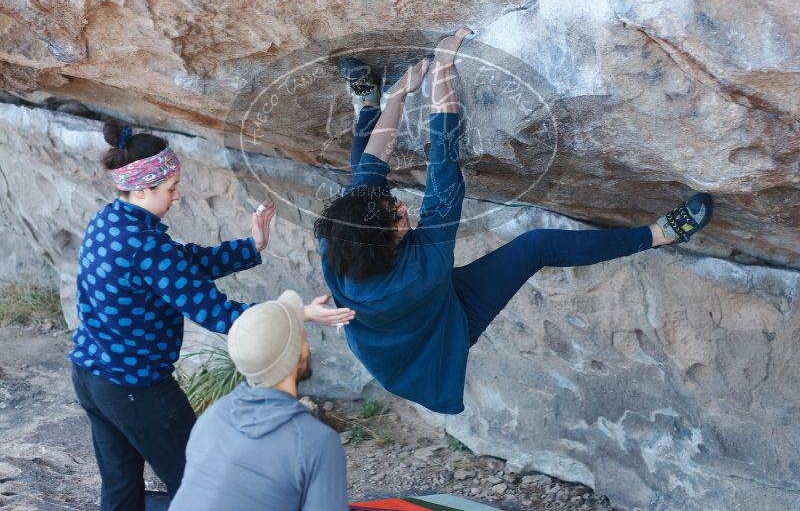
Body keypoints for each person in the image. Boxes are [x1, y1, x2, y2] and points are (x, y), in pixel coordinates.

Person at [314, 28, 713, 415]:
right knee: (536, 246)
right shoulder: (424, 265)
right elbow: (443, 158)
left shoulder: (341, 239)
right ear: (393, 249)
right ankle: (659, 234)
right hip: (434, 337)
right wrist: (442, 70)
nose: (401, 206)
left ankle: (369, 103)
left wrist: (398, 93)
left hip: (396, 315)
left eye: (391, 204)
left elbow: (371, 169)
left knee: (362, 181)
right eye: (397, 218)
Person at [69, 120, 355, 510]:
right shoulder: (148, 246)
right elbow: (216, 312)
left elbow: (183, 264)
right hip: (135, 386)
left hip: (91, 377)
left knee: (121, 488)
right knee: (200, 484)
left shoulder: (109, 220)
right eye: (170, 189)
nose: (177, 196)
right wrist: (296, 313)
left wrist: (251, 246)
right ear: (141, 188)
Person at [170, 290, 348, 511]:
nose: (308, 338)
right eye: (302, 335)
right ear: (295, 358)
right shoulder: (314, 442)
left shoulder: (213, 417)